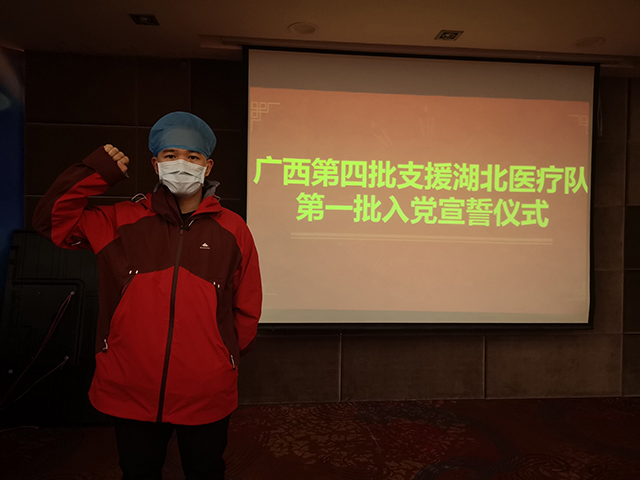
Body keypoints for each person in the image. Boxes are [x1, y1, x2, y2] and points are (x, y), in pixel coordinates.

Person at [33, 111, 262, 480]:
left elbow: (247, 305)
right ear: (156, 165)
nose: (181, 164)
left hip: (206, 388)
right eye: (170, 155)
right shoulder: (118, 220)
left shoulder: (233, 229)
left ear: (208, 166)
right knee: (138, 472)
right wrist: (95, 172)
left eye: (192, 156)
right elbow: (51, 222)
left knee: (206, 470)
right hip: (130, 385)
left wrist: (224, 356)